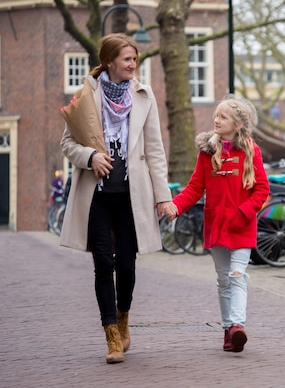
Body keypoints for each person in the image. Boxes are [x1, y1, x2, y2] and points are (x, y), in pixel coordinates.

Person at [59, 33, 177, 364]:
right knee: (103, 264)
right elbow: (66, 144)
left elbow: (155, 150)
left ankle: (123, 319)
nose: (132, 64)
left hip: (130, 195)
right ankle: (111, 337)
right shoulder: (86, 95)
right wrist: (89, 157)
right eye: (126, 59)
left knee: (126, 264)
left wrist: (163, 196)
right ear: (109, 61)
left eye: (135, 59)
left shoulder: (144, 95)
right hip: (95, 196)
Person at [170, 96, 269, 353]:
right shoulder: (207, 153)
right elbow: (194, 188)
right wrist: (175, 206)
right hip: (216, 227)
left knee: (237, 277)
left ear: (237, 124)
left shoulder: (251, 151)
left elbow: (262, 190)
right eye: (216, 115)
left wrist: (243, 213)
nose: (216, 120)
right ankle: (229, 331)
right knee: (223, 280)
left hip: (242, 227)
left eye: (223, 117)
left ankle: (237, 324)